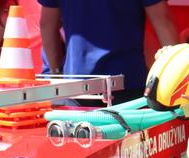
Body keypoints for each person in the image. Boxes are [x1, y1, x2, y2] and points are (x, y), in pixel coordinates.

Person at [39, 0, 178, 104]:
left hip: (76, 87)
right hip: (127, 83)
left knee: (77, 141)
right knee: (130, 142)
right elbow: (162, 20)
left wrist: (56, 72)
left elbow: (47, 24)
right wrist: (179, 77)